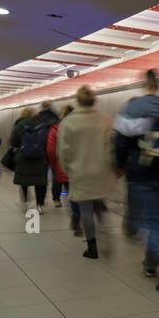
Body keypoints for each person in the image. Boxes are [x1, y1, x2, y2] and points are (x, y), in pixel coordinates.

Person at [115, 69, 159, 292]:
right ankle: (150, 265)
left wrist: (119, 165)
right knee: (158, 220)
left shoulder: (133, 107)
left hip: (139, 173)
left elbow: (121, 142)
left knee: (149, 222)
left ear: (144, 84)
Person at [58, 87, 117, 260]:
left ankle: (92, 248)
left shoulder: (68, 123)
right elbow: (111, 147)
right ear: (94, 100)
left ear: (78, 101)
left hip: (80, 172)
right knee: (100, 205)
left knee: (86, 210)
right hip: (101, 171)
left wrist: (67, 169)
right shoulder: (106, 120)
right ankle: (106, 238)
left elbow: (63, 152)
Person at [11, 101, 59, 211]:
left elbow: (13, 142)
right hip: (40, 157)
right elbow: (48, 141)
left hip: (23, 157)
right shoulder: (42, 124)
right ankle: (40, 205)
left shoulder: (20, 125)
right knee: (40, 182)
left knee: (24, 181)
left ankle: (26, 203)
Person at [47, 105, 75, 229]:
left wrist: (54, 164)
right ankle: (77, 214)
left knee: (57, 182)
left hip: (60, 163)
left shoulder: (56, 128)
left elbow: (51, 150)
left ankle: (57, 199)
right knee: (74, 191)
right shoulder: (79, 127)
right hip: (77, 166)